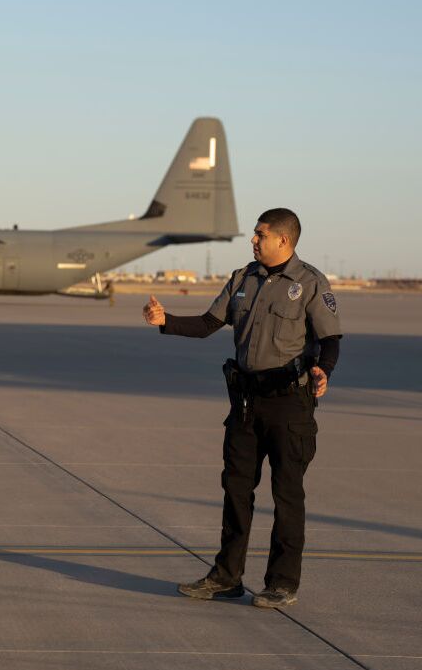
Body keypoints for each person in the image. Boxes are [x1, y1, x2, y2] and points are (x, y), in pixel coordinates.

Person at [144, 208, 341, 608]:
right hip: (246, 403)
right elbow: (206, 323)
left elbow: (331, 337)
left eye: (260, 234)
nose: (253, 240)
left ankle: (282, 582)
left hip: (289, 404)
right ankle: (226, 576)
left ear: (283, 240)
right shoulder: (242, 279)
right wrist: (166, 322)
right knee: (235, 490)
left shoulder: (308, 283)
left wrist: (324, 369)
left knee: (287, 495)